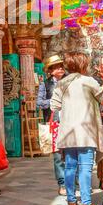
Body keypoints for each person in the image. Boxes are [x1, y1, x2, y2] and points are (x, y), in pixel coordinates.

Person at [51, 52, 103, 205]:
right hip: (85, 131)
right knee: (84, 168)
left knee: (70, 167)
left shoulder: (61, 84)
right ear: (83, 65)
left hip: (69, 132)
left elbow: (54, 106)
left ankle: (71, 204)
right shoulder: (88, 81)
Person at [37, 55, 66, 196]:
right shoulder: (45, 84)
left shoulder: (68, 81)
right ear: (50, 70)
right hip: (54, 122)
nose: (60, 68)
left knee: (72, 152)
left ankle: (73, 181)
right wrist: (55, 101)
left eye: (61, 65)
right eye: (56, 66)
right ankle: (62, 184)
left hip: (70, 121)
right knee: (58, 156)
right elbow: (40, 103)